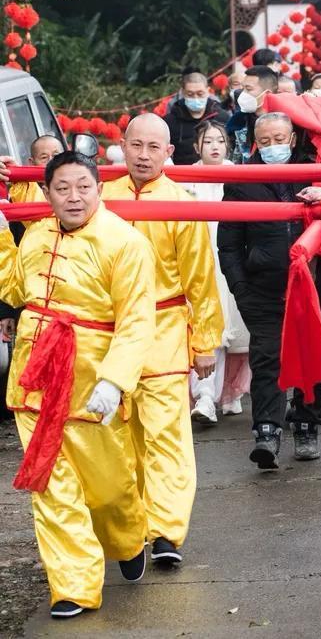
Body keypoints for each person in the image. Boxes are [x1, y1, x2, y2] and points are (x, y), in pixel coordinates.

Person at [0, 151, 155, 619]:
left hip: (93, 383)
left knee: (109, 490)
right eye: (62, 188)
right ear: (46, 193)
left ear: (99, 189)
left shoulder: (125, 242)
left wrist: (114, 382)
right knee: (51, 489)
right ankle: (73, 586)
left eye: (82, 187)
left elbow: (136, 321)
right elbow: (12, 289)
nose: (73, 197)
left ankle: (128, 540)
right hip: (34, 380)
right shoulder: (36, 236)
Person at [102, 114, 224, 566]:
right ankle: (132, 531)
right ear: (122, 145)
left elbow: (200, 278)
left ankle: (167, 533)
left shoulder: (179, 202)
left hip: (165, 330)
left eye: (155, 147)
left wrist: (205, 340)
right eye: (137, 145)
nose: (144, 155)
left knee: (166, 436)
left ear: (170, 153)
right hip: (108, 334)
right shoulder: (100, 197)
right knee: (117, 437)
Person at [218, 113, 321, 466]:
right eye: (265, 141)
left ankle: (306, 425)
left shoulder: (318, 171)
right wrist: (240, 287)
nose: (273, 147)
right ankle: (267, 432)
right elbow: (228, 243)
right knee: (267, 359)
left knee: (311, 355)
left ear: (293, 137)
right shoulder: (242, 180)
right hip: (262, 287)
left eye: (279, 139)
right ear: (255, 142)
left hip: (313, 285)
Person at [183, 121, 250, 423]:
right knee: (203, 328)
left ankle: (225, 392)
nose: (214, 146)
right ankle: (205, 395)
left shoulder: (240, 177)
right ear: (197, 147)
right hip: (197, 263)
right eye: (207, 141)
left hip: (231, 263)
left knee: (227, 332)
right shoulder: (184, 180)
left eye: (219, 141)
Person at [163, 72, 230, 165]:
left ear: (208, 91)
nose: (196, 98)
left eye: (200, 94)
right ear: (183, 92)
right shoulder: (170, 122)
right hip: (182, 175)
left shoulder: (222, 118)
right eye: (190, 94)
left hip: (217, 174)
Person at [227, 65, 279, 160]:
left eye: (248, 89)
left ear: (267, 93)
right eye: (243, 89)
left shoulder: (284, 122)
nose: (243, 94)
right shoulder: (237, 122)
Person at [7, 135, 61, 206]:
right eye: (44, 157)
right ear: (32, 163)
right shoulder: (23, 189)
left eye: (56, 156)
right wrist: (13, 170)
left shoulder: (75, 183)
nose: (51, 161)